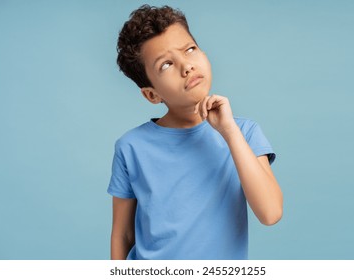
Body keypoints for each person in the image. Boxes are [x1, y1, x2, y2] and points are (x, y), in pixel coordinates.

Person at [108, 4, 283, 260]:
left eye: (190, 50)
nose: (186, 66)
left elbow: (270, 213)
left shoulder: (243, 132)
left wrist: (229, 132)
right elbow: (122, 234)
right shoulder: (130, 147)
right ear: (151, 94)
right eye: (166, 65)